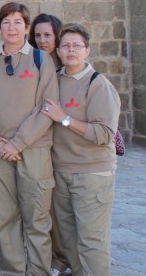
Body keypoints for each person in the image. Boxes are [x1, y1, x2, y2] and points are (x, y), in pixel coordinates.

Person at [0, 2, 59, 276]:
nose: (11, 27)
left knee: (36, 219)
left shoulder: (41, 61)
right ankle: (13, 271)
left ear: (27, 28)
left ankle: (39, 272)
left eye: (17, 22)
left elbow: (47, 106)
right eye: (6, 21)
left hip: (33, 151)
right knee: (5, 218)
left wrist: (17, 144)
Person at [41, 23, 120, 276]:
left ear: (87, 50)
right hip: (60, 172)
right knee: (69, 241)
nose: (71, 50)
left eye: (77, 45)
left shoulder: (98, 85)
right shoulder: (54, 79)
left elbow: (104, 134)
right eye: (66, 45)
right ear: (59, 50)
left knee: (91, 242)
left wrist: (64, 118)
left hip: (92, 175)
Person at [29, 13, 69, 276]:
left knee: (63, 211)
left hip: (66, 147)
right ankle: (51, 258)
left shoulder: (67, 67)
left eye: (47, 35)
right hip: (41, 145)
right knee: (44, 208)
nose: (42, 40)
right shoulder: (33, 66)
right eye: (38, 35)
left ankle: (64, 258)